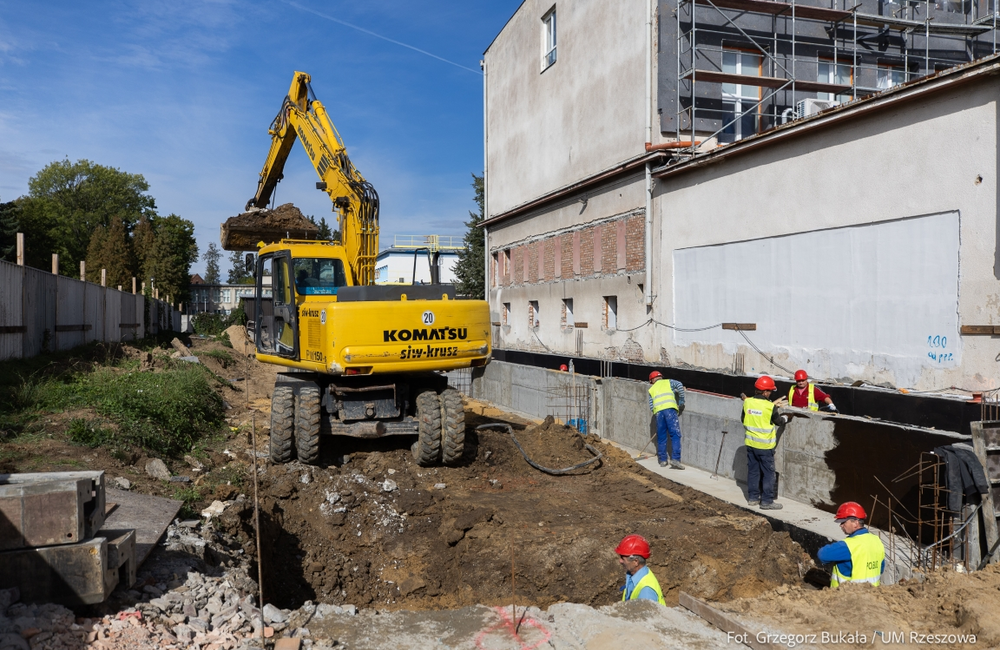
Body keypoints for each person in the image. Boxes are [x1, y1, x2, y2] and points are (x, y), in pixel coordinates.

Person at [742, 376, 788, 510]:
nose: (771, 394)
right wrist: (786, 417)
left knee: (753, 472)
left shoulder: (748, 403)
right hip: (765, 447)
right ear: (766, 392)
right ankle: (767, 501)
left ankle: (753, 498)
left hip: (751, 444)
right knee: (768, 474)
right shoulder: (770, 407)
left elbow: (743, 419)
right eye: (770, 391)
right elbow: (778, 421)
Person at [817, 502, 885, 588]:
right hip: (871, 597)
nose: (841, 525)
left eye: (843, 522)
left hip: (847, 598)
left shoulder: (848, 545)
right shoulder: (877, 541)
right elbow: (881, 569)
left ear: (855, 523)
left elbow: (822, 555)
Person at [648, 371, 686, 469]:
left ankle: (662, 460)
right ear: (661, 377)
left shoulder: (651, 389)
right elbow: (680, 385)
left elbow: (651, 406)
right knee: (675, 435)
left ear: (652, 380)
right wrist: (681, 400)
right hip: (670, 410)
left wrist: (658, 413)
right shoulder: (669, 382)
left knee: (661, 436)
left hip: (659, 413)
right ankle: (675, 459)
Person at [615, 534, 665, 604]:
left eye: (623, 558)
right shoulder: (632, 575)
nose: (620, 561)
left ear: (636, 562)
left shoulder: (646, 592)